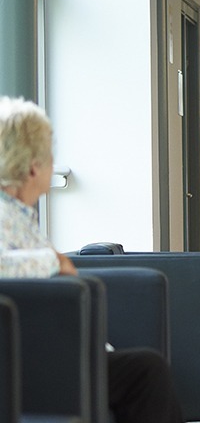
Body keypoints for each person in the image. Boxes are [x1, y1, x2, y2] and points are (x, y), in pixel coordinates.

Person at [0, 96, 184, 423]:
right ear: (33, 166)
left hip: (44, 349)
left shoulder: (20, 215)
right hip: (28, 359)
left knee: (145, 368)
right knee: (147, 371)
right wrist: (54, 263)